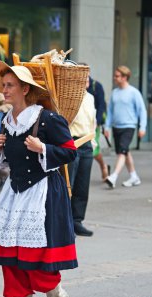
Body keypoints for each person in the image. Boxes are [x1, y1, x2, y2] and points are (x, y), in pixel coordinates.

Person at [0, 60, 78, 297]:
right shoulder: (6, 120)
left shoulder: (47, 119)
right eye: (3, 85)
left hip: (43, 194)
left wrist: (44, 148)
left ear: (25, 89)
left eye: (10, 85)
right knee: (10, 259)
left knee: (35, 258)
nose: (4, 90)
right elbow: (9, 164)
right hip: (14, 194)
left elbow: (71, 152)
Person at [104, 65, 147, 188]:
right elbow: (110, 111)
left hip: (129, 126)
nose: (114, 78)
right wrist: (107, 127)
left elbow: (142, 111)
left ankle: (114, 176)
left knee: (121, 152)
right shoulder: (114, 93)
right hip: (116, 127)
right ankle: (134, 176)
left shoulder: (134, 92)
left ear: (124, 77)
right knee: (124, 151)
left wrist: (142, 127)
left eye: (117, 76)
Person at [68, 75, 96, 237]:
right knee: (69, 185)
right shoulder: (70, 97)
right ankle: (65, 223)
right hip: (73, 142)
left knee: (82, 186)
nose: (87, 81)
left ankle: (77, 221)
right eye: (83, 78)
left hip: (87, 144)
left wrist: (93, 142)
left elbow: (92, 120)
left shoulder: (90, 98)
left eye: (88, 78)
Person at [87, 76, 110, 181]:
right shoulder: (76, 85)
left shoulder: (96, 86)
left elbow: (101, 106)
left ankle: (103, 166)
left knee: (93, 149)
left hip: (94, 123)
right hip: (81, 124)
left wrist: (98, 122)